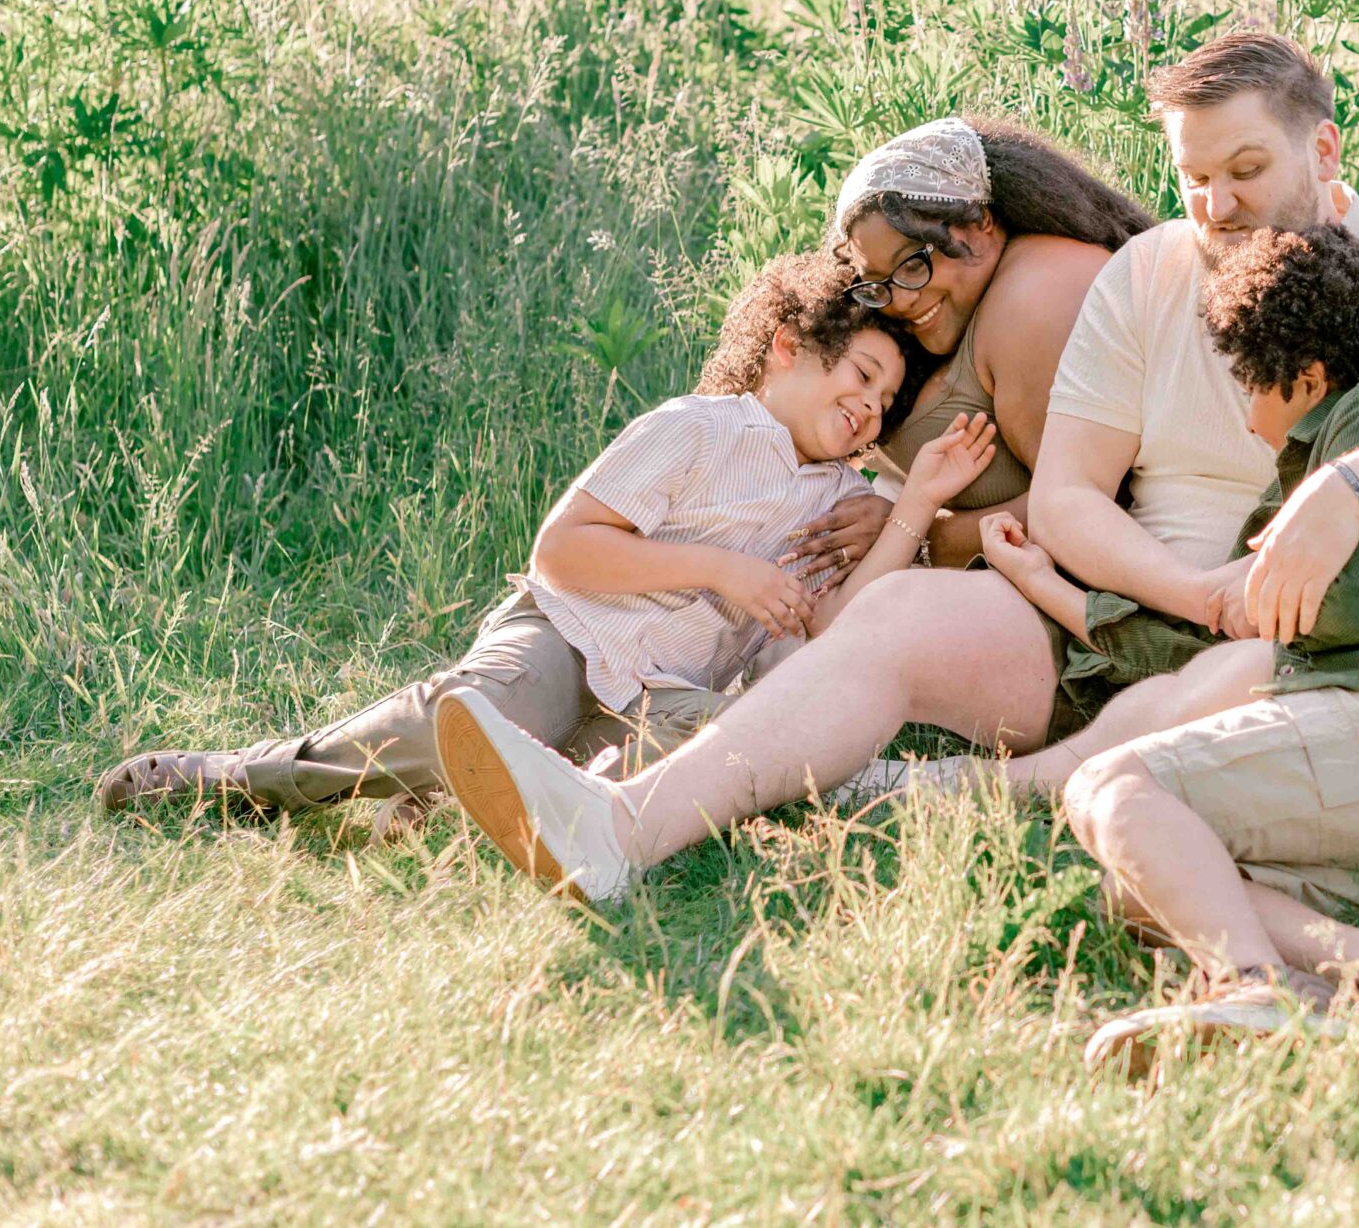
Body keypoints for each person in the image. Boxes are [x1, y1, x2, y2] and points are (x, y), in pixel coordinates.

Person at [430, 31, 1359, 954]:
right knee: (897, 616)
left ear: (1322, 152)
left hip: (1300, 643)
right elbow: (1073, 497)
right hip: (1122, 619)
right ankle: (625, 827)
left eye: (1246, 171)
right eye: (1194, 178)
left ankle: (922, 792)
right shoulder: (1148, 274)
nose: (1215, 205)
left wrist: (1348, 493)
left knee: (1193, 719)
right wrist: (1187, 587)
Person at [95, 251, 995, 832]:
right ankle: (234, 778)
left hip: (658, 698)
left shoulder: (838, 495)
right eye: (862, 375)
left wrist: (914, 501)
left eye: (884, 403)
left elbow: (834, 627)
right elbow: (563, 551)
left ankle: (464, 791)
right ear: (789, 347)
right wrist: (726, 569)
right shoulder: (703, 429)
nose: (870, 407)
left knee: (757, 751)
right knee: (484, 712)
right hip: (572, 636)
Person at [966, 222, 1359, 1069]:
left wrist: (1247, 597)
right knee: (1150, 884)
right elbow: (1197, 638)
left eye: (1251, 385)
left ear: (1308, 377)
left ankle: (1251, 985)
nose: (1248, 418)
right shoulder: (1298, 499)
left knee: (1112, 782)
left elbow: (1350, 607)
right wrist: (1049, 589)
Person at [809, 115, 1153, 574]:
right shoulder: (975, 296)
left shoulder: (1033, 300)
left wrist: (909, 532)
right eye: (877, 283)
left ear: (981, 223)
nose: (901, 301)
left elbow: (1082, 509)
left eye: (912, 265)